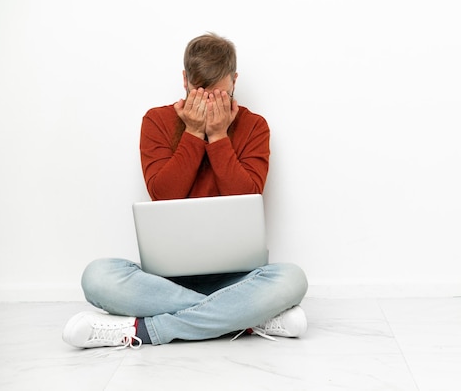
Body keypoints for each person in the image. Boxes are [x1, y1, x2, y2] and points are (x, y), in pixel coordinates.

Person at [62, 33, 308, 349]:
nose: (208, 104)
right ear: (184, 81)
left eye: (219, 95)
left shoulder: (254, 126)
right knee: (97, 276)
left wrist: (219, 137)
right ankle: (247, 318)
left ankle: (145, 331)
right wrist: (193, 133)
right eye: (199, 93)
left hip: (238, 278)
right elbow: (163, 195)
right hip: (164, 281)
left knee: (291, 279)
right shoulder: (157, 121)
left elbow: (247, 196)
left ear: (234, 81)